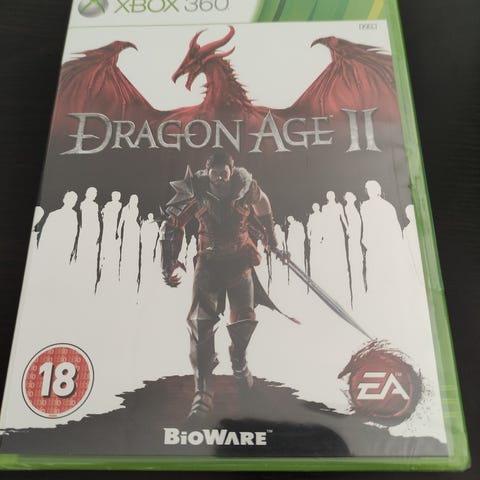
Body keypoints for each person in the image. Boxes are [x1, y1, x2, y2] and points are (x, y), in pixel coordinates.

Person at [161, 151, 277, 424]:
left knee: (244, 320)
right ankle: (203, 392)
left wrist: (269, 233)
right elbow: (174, 222)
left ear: (231, 171)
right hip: (209, 263)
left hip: (239, 261)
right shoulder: (195, 190)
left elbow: (262, 202)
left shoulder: (245, 187)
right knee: (200, 322)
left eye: (224, 173)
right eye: (215, 173)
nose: (220, 178)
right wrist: (169, 260)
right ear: (208, 171)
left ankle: (238, 360)